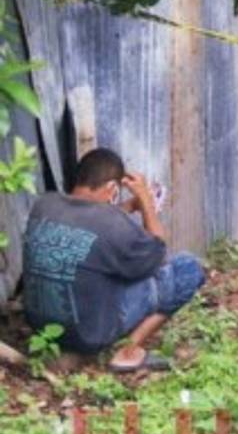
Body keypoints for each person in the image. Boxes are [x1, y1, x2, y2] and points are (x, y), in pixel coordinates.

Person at [22, 147, 206, 372]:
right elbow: (158, 252)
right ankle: (127, 352)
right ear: (112, 188)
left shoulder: (45, 205)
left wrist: (127, 207)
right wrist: (147, 203)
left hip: (41, 327)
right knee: (187, 268)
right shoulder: (112, 223)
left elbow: (91, 225)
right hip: (89, 334)